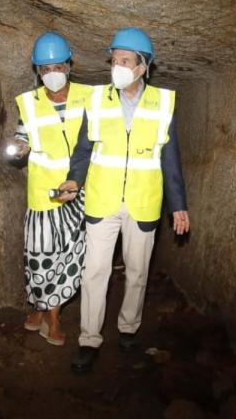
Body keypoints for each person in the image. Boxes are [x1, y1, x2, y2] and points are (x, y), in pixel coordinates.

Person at [55, 27, 190, 374]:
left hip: (143, 203)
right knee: (94, 272)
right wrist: (74, 179)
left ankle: (129, 328)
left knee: (137, 272)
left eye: (125, 61)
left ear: (143, 66)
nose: (117, 66)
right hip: (103, 201)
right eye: (114, 60)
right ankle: (89, 339)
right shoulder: (97, 100)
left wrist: (178, 205)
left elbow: (170, 159)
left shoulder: (163, 103)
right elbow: (83, 150)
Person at [12, 31, 93, 346]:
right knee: (39, 257)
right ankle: (39, 307)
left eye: (58, 67)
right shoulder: (29, 103)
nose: (53, 74)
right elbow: (23, 136)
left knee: (70, 257)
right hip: (44, 195)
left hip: (78, 194)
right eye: (46, 69)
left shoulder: (90, 97)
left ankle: (53, 318)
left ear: (69, 65)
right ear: (37, 71)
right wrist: (19, 146)